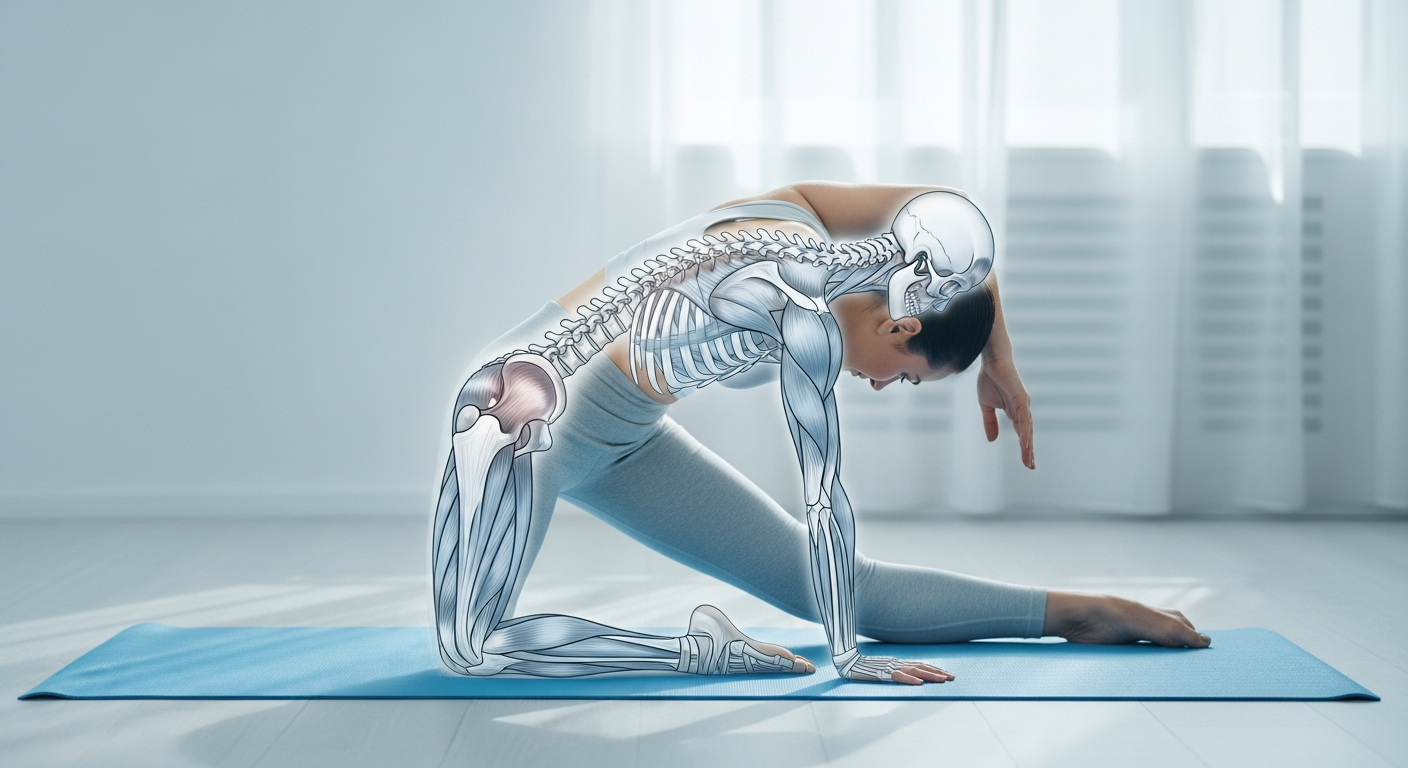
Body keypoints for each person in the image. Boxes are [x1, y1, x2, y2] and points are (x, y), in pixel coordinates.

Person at [430, 182, 1211, 685]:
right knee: (469, 648)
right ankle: (705, 651)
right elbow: (823, 494)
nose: (879, 385)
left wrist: (997, 358)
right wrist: (845, 659)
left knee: (851, 589)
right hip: (516, 413)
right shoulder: (796, 315)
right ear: (901, 322)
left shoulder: (814, 218)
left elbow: (948, 223)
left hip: (628, 440)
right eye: (902, 375)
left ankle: (1079, 611)